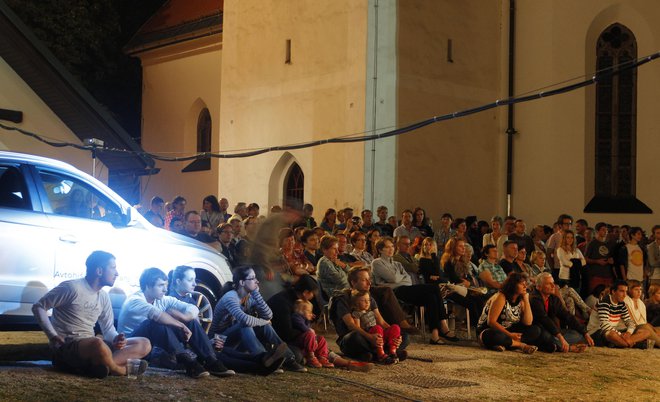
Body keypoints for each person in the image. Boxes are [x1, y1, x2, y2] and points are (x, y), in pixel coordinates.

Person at [32, 251, 150, 378]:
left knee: (143, 343)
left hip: (91, 347)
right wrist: (52, 336)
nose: (117, 273)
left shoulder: (103, 296)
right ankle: (119, 370)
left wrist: (117, 339)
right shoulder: (72, 288)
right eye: (113, 268)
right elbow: (38, 307)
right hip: (67, 347)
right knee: (98, 343)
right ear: (99, 271)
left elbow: (108, 329)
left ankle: (99, 367)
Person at [117, 268, 233, 378]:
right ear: (147, 286)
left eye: (166, 285)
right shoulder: (135, 300)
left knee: (190, 321)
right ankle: (188, 362)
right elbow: (157, 315)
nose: (165, 290)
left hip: (151, 344)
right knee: (154, 323)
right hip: (131, 344)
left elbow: (192, 308)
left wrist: (185, 318)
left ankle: (210, 360)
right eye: (161, 285)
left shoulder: (161, 299)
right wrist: (181, 325)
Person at [210, 266, 306, 372]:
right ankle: (264, 359)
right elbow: (245, 320)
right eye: (252, 278)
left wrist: (257, 294)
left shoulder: (249, 297)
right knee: (246, 325)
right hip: (219, 341)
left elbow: (269, 315)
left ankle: (289, 360)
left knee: (265, 326)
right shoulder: (230, 297)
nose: (257, 281)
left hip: (237, 339)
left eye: (255, 278)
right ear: (241, 282)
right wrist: (263, 322)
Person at [371, 237, 458, 344]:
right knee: (434, 288)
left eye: (392, 246)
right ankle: (444, 326)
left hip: (406, 289)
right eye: (387, 247)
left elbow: (408, 281)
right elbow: (393, 278)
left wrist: (397, 278)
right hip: (393, 293)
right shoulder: (377, 263)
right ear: (380, 250)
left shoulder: (397, 264)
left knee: (432, 297)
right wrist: (399, 278)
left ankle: (435, 334)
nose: (391, 249)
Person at [328, 266, 406, 363]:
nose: (369, 283)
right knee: (354, 337)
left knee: (404, 336)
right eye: (364, 280)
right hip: (353, 337)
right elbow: (351, 325)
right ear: (353, 282)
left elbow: (381, 321)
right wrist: (370, 337)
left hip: (373, 334)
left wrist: (397, 337)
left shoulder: (369, 297)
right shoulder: (343, 298)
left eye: (369, 279)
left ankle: (381, 353)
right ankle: (383, 353)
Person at [476, 272, 542, 354]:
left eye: (525, 284)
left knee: (536, 330)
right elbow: (491, 322)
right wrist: (510, 335)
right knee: (493, 336)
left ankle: (505, 344)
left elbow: (528, 322)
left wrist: (526, 299)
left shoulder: (521, 300)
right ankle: (521, 346)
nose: (525, 286)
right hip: (490, 330)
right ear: (513, 285)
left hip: (509, 331)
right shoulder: (501, 296)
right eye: (522, 284)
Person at [530, 273, 593, 352]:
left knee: (578, 335)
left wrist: (585, 333)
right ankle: (568, 347)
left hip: (553, 332)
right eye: (549, 284)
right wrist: (560, 337)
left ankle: (557, 345)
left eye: (553, 283)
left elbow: (567, 316)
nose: (553, 286)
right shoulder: (534, 298)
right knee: (546, 336)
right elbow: (544, 320)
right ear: (539, 287)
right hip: (540, 330)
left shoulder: (553, 299)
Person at [588, 280, 651, 348]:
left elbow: (629, 322)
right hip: (596, 332)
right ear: (613, 292)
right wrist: (620, 335)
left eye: (626, 291)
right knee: (612, 334)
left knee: (646, 332)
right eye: (621, 291)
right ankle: (630, 344)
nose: (625, 295)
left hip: (614, 330)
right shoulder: (604, 302)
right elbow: (604, 325)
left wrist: (628, 333)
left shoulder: (621, 304)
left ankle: (622, 343)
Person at [350, 290, 399, 364]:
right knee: (377, 328)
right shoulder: (356, 313)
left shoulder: (371, 312)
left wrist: (396, 335)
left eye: (368, 300)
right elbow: (358, 328)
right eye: (363, 300)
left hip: (380, 334)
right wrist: (369, 335)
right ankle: (381, 354)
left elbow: (382, 323)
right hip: (370, 335)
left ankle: (392, 351)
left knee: (395, 327)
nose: (367, 302)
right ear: (356, 302)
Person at [291, 299, 334, 368]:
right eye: (308, 311)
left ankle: (322, 357)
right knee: (310, 334)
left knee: (321, 339)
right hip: (299, 342)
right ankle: (311, 357)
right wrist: (309, 329)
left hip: (307, 340)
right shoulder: (296, 317)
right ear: (300, 311)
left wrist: (308, 319)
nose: (310, 313)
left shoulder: (305, 319)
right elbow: (301, 326)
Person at [623, 280, 659, 348]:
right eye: (636, 289)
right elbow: (631, 322)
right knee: (647, 329)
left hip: (642, 327)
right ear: (629, 290)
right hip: (631, 328)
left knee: (657, 329)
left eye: (640, 289)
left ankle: (652, 340)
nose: (639, 292)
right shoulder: (625, 301)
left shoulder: (641, 303)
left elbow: (644, 321)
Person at [585, 222, 615, 292]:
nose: (605, 232)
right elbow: (585, 259)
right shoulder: (592, 243)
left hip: (608, 275)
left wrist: (611, 261)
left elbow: (613, 258)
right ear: (597, 231)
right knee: (596, 294)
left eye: (606, 230)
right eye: (603, 230)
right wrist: (597, 261)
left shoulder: (610, 244)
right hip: (596, 275)